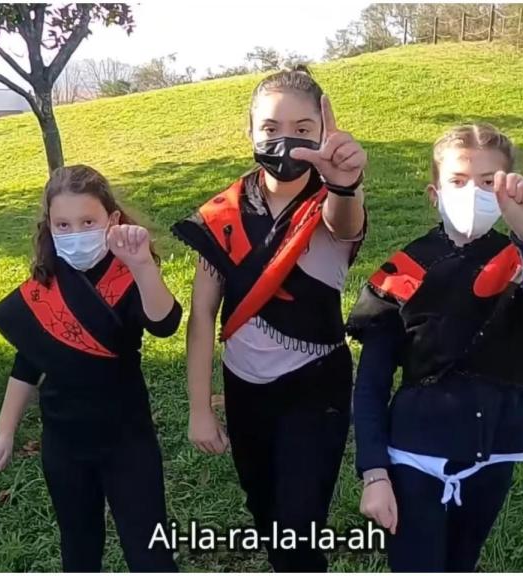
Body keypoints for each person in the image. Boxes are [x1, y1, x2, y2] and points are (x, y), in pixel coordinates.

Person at [347, 124, 523, 572]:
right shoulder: (405, 269)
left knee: (461, 563)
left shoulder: (522, 260)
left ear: (507, 188)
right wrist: (374, 472)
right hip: (413, 457)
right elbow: (372, 383)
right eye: (458, 180)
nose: (473, 192)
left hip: (495, 452)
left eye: (489, 182)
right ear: (435, 193)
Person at [171, 66, 367, 572]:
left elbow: (345, 224)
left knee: (300, 526)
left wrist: (345, 185)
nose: (287, 141)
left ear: (323, 134)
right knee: (265, 512)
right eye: (272, 128)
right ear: (251, 132)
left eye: (304, 129)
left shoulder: (329, 203)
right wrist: (200, 407)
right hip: (244, 389)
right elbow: (202, 317)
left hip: (316, 386)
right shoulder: (222, 215)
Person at [0, 165, 181, 572]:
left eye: (87, 222)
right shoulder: (45, 287)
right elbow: (27, 363)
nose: (76, 233)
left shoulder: (127, 275)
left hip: (127, 440)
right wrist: (5, 432)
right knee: (79, 547)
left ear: (112, 220)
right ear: (50, 228)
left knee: (149, 551)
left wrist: (143, 265)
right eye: (64, 225)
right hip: (65, 444)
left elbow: (164, 324)